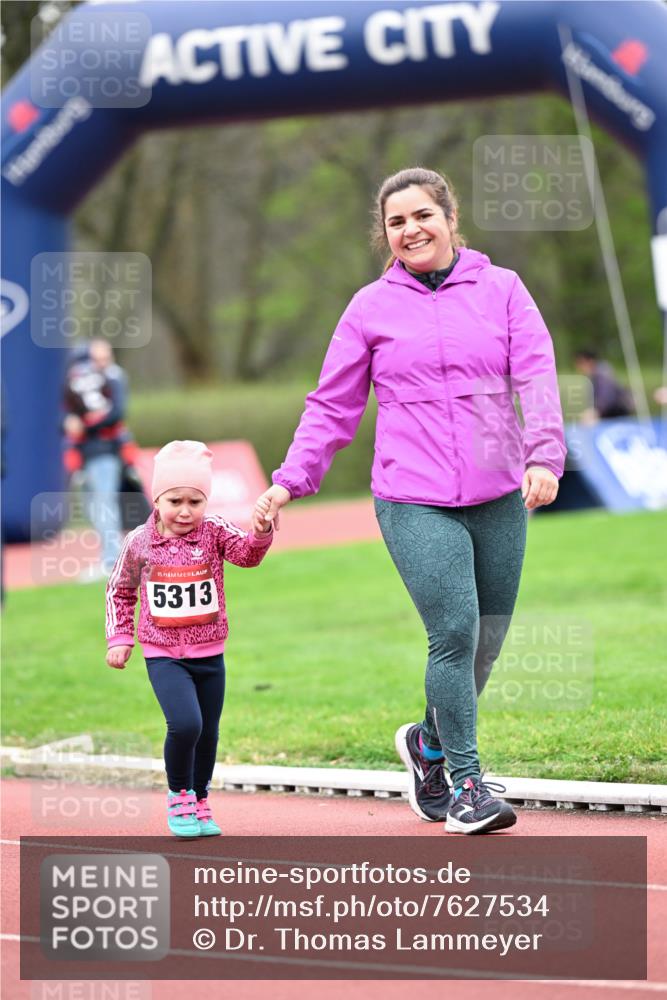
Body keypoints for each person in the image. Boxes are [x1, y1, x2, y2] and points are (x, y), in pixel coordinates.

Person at [255, 167, 566, 835]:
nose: (410, 229)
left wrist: (544, 455)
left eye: (422, 214)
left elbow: (536, 372)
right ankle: (466, 786)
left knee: (484, 639)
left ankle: (427, 745)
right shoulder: (369, 307)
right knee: (453, 630)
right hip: (412, 495)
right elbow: (331, 406)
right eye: (396, 221)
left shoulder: (503, 290)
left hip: (498, 492)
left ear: (451, 219)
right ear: (384, 235)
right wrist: (289, 479)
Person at [105, 440, 273, 837]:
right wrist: (120, 636)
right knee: (185, 724)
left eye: (195, 502)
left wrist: (261, 532)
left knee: (209, 730)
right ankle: (179, 794)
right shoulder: (139, 542)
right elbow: (120, 591)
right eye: (175, 500)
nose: (185, 511)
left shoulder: (213, 531)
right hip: (163, 653)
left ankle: (200, 797)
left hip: (210, 652)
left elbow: (247, 554)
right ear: (157, 498)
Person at [63, 339, 132, 581]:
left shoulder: (113, 378)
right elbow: (70, 414)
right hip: (86, 453)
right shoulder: (81, 381)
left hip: (106, 452)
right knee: (93, 504)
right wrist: (71, 424)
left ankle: (114, 560)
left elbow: (117, 413)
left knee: (105, 503)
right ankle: (113, 556)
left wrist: (87, 425)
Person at [574, 348, 635, 422]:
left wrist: (595, 412)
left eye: (581, 363)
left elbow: (607, 397)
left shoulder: (602, 373)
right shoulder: (592, 377)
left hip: (618, 413)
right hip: (609, 415)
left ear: (590, 361)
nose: (579, 367)